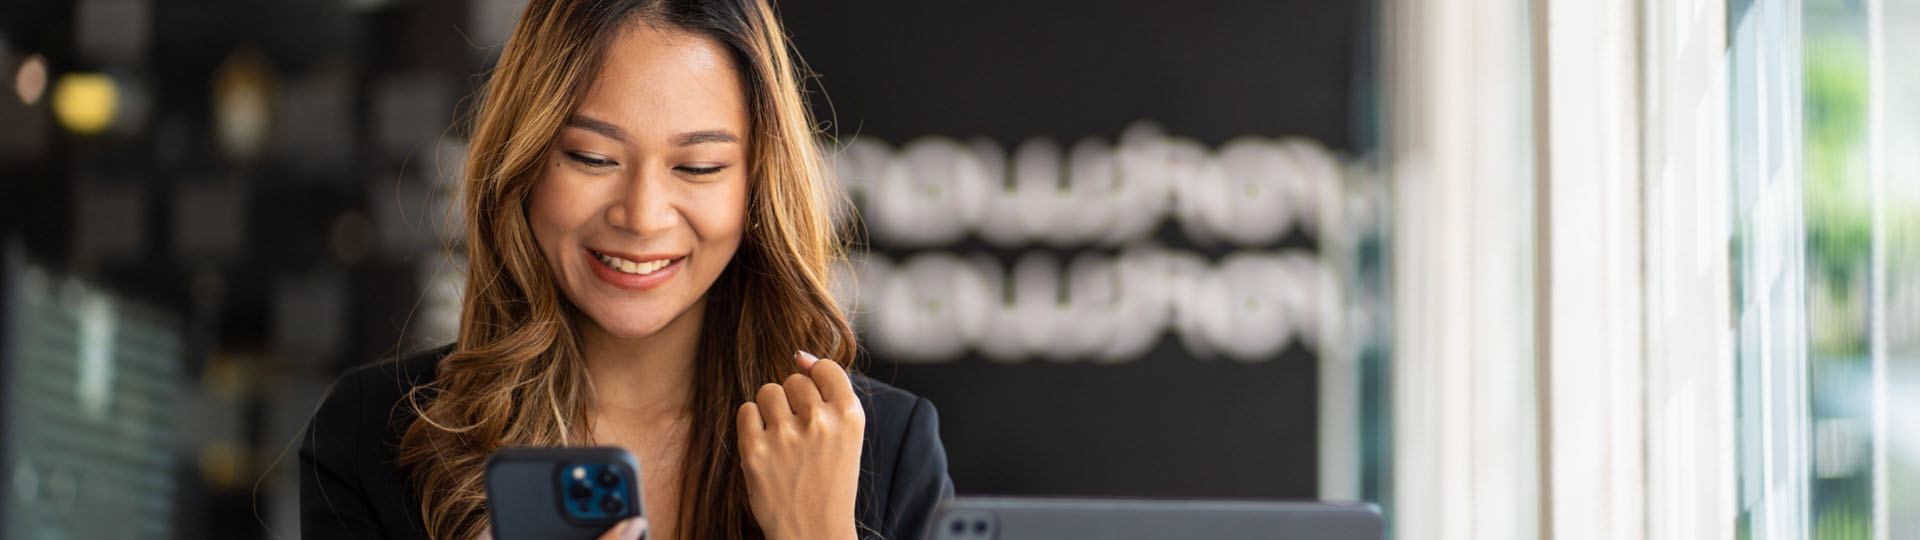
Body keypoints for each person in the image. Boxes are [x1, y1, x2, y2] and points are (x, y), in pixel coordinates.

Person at [297, 1, 953, 539]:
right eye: (592, 157)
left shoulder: (881, 448)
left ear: (758, 187)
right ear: (524, 161)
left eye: (698, 167)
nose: (642, 216)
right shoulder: (372, 436)